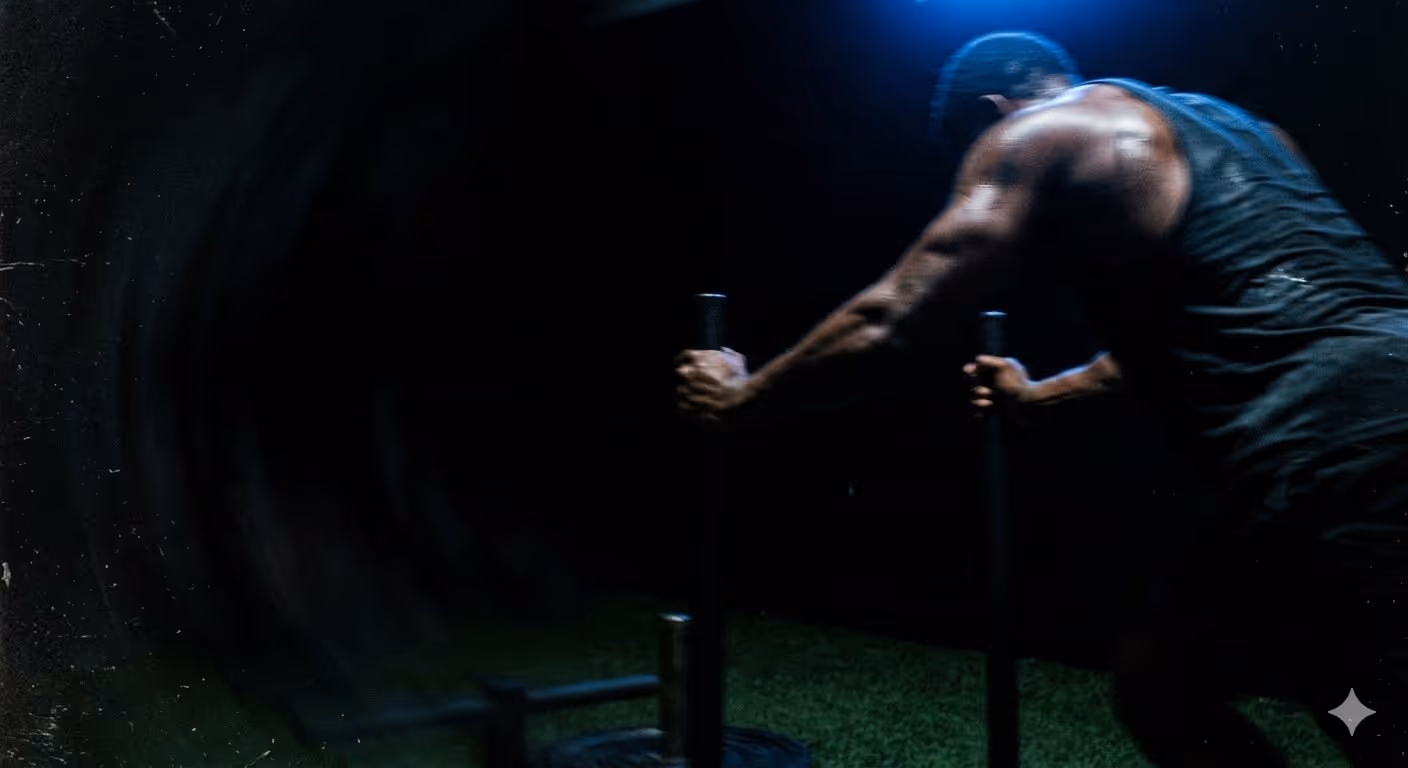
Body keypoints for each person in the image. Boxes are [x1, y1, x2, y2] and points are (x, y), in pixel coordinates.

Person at [675, 30, 1408, 767]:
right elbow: (1209, 333)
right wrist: (1038, 398)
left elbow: (891, 321)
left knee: (1299, 690)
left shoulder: (1038, 132)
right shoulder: (1252, 136)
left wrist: (744, 398)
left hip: (1336, 445)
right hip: (1360, 419)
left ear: (995, 111)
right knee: (1214, 678)